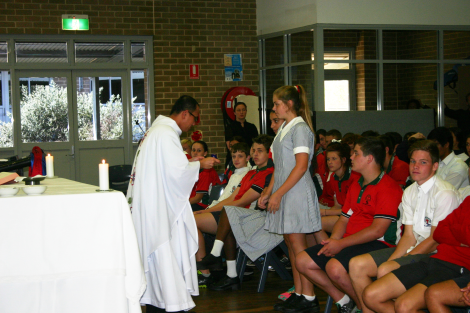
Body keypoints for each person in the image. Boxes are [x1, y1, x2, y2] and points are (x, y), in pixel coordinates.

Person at [127, 95, 219, 312]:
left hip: (151, 205)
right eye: (195, 118)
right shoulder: (167, 134)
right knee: (164, 256)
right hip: (159, 210)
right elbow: (177, 174)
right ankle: (170, 304)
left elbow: (166, 169)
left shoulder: (156, 130)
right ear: (185, 113)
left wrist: (190, 162)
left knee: (157, 263)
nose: (194, 124)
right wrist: (201, 165)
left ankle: (161, 302)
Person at [349, 140, 460, 313]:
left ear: (435, 166)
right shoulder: (410, 191)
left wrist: (402, 260)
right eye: (413, 161)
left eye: (423, 162)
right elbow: (409, 236)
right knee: (357, 265)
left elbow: (435, 240)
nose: (415, 166)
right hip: (416, 246)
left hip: (436, 254)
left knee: (386, 269)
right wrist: (396, 258)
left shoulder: (445, 193)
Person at [295, 136, 403, 313]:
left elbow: (377, 230)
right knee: (302, 261)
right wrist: (334, 241)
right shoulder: (357, 184)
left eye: (356, 153)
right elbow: (344, 219)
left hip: (379, 243)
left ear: (369, 158)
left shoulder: (388, 187)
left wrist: (341, 244)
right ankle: (346, 300)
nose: (351, 157)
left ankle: (363, 307)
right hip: (352, 240)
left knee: (334, 267)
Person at [259, 85, 324, 313]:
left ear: (288, 104)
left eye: (276, 104)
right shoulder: (285, 127)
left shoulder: (300, 128)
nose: (274, 108)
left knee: (298, 247)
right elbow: (280, 167)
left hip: (295, 192)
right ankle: (298, 292)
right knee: (290, 244)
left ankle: (309, 296)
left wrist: (277, 193)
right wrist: (268, 191)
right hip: (285, 190)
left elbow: (301, 166)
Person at [196, 135, 279, 291]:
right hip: (234, 214)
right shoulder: (250, 173)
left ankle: (212, 259)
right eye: (253, 150)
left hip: (252, 219)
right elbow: (232, 198)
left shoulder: (269, 173)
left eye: (260, 151)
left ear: (269, 153)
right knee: (200, 216)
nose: (255, 154)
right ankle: (231, 275)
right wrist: (207, 210)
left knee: (226, 213)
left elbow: (241, 202)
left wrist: (212, 210)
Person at [363, 197, 470, 313]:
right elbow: (439, 233)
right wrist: (461, 237)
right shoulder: (468, 201)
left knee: (404, 306)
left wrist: (455, 229)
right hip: (435, 259)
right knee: (371, 295)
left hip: (459, 266)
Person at [318, 142, 362, 233]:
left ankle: (328, 246)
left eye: (334, 159)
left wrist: (325, 212)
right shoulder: (334, 177)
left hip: (353, 217)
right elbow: (337, 205)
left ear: (343, 160)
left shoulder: (355, 178)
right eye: (328, 159)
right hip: (342, 214)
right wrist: (323, 213)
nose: (330, 162)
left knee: (318, 224)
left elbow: (352, 210)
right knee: (311, 222)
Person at [189, 140, 221, 211]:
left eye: (199, 150)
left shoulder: (206, 171)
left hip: (204, 206)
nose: (195, 153)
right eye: (193, 150)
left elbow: (198, 198)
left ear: (205, 153)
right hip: (194, 202)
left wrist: (180, 204)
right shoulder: (193, 168)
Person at [224, 101, 259, 166]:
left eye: (243, 110)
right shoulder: (230, 127)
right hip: (235, 159)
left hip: (250, 158)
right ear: (234, 113)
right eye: (239, 110)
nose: (241, 112)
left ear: (246, 111)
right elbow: (230, 146)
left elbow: (256, 143)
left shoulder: (252, 127)